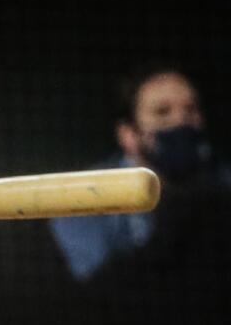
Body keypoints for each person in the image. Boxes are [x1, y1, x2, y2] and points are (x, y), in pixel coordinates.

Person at [49, 66, 231, 280]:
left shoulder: (223, 185)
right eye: (162, 112)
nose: (181, 121)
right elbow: (98, 293)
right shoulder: (84, 201)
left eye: (191, 110)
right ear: (128, 134)